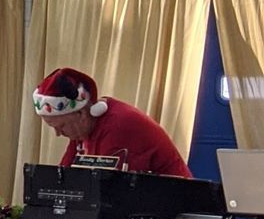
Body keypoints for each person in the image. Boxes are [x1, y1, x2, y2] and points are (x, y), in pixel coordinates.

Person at [33, 69, 190, 177]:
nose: (58, 134)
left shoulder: (120, 126)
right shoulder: (81, 130)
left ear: (81, 113)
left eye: (61, 126)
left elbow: (109, 189)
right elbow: (63, 176)